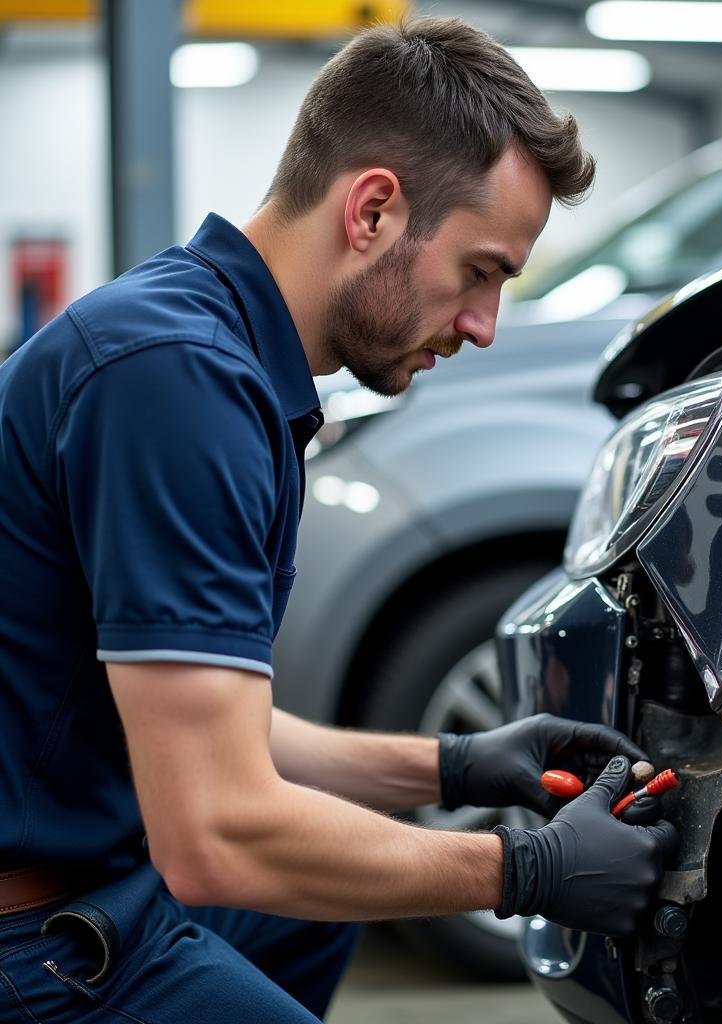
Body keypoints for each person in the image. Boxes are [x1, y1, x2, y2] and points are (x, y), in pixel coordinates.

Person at [0, 17, 677, 1023]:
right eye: (480, 272)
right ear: (370, 211)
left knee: (319, 906)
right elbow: (219, 832)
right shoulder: (175, 383)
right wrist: (522, 870)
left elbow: (224, 733)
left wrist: (454, 766)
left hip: (106, 876)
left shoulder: (217, 352)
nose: (485, 326)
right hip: (39, 944)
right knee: (296, 877)